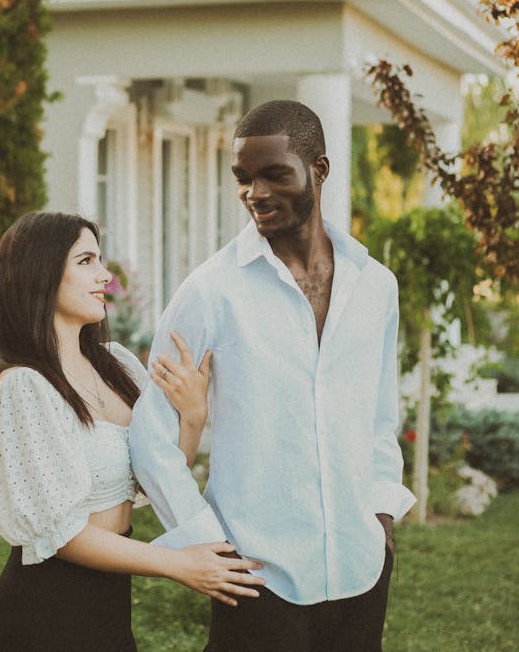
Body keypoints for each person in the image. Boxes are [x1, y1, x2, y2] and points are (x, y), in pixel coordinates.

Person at [130, 100, 416, 652]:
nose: (255, 193)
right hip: (257, 578)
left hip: (361, 569)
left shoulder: (375, 285)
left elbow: (380, 417)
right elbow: (151, 434)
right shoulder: (209, 292)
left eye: (274, 174)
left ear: (320, 170)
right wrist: (204, 544)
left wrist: (381, 515)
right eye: (243, 178)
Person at [0, 211, 264, 652]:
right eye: (86, 261)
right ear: (42, 273)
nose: (105, 276)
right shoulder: (24, 386)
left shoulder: (114, 365)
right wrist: (178, 564)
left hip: (108, 608)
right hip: (42, 616)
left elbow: (151, 476)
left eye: (100, 260)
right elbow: (63, 535)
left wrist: (192, 417)